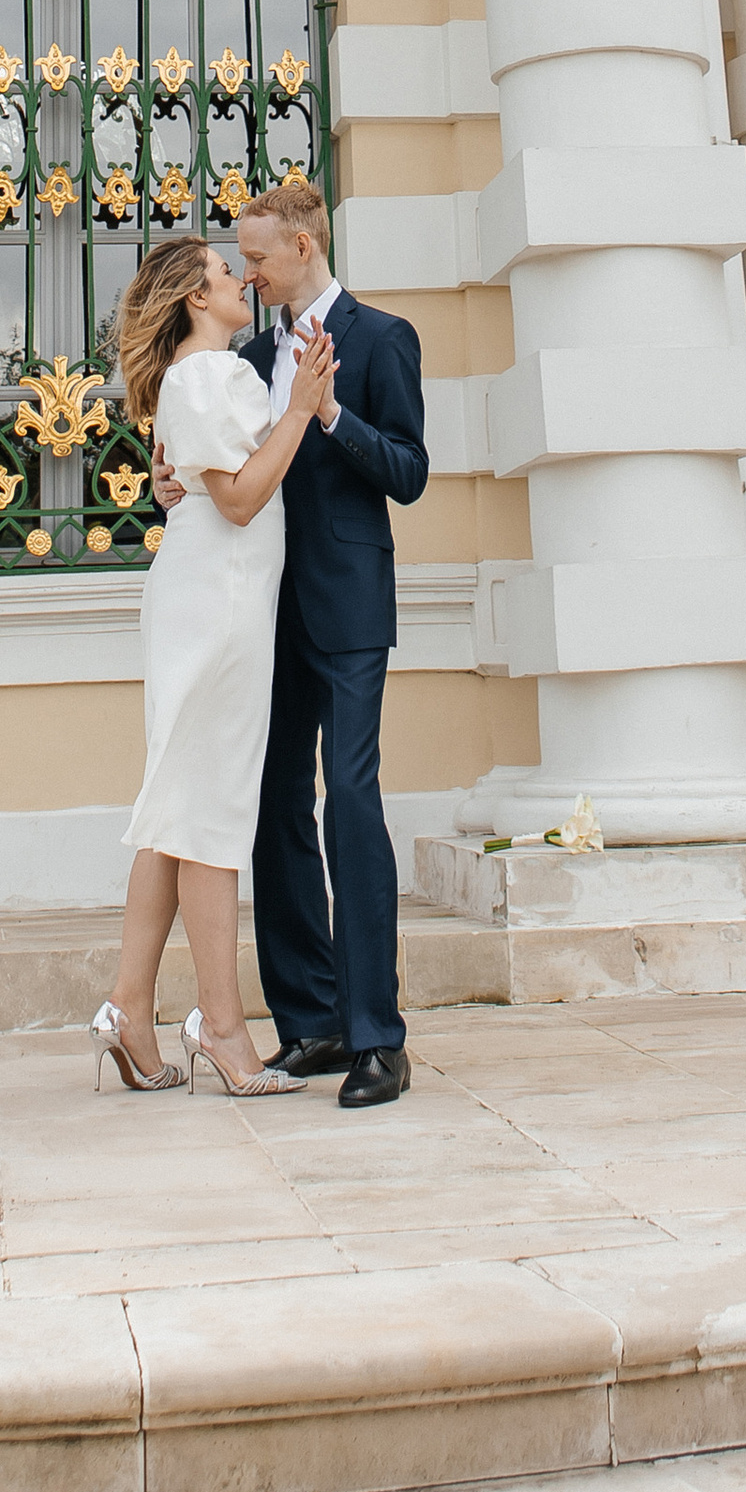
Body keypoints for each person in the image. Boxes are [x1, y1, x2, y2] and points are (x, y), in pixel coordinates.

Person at [94, 232, 337, 1098]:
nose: (240, 280)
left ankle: (130, 1007)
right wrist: (301, 409)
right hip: (220, 603)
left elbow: (204, 484)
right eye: (225, 272)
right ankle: (223, 1029)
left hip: (208, 595)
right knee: (211, 811)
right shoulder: (208, 375)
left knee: (177, 807)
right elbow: (238, 500)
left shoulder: (198, 378)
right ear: (197, 297)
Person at [224, 176, 429, 1111]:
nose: (247, 273)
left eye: (256, 257)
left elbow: (410, 473)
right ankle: (311, 1019)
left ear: (302, 247)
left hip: (348, 607)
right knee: (275, 806)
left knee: (348, 799)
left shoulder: (383, 338)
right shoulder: (250, 353)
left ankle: (378, 1036)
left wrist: (333, 413)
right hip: (265, 609)